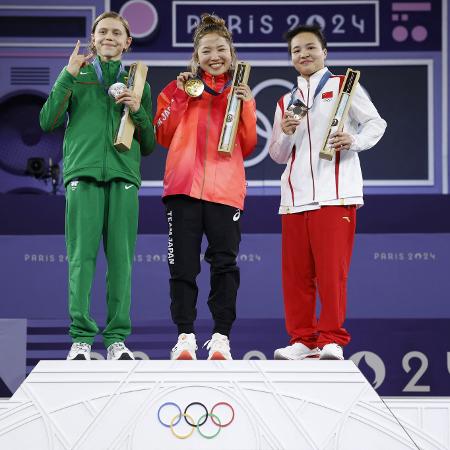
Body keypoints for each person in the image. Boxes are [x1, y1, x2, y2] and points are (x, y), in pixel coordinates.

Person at [40, 12, 155, 360]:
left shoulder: (139, 84)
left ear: (127, 42)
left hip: (123, 178)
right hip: (82, 176)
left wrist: (137, 110)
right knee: (81, 259)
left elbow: (147, 144)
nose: (109, 36)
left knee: (121, 263)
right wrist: (68, 73)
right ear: (93, 38)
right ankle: (82, 340)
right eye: (102, 31)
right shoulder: (76, 76)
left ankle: (117, 339)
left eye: (116, 32)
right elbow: (48, 121)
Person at [269, 25, 386, 361]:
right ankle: (302, 339)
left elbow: (376, 123)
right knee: (296, 277)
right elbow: (277, 155)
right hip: (293, 198)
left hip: (335, 195)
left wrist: (356, 141)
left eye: (310, 48)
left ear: (325, 52)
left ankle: (332, 338)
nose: (303, 54)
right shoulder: (285, 101)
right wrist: (287, 134)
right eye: (296, 50)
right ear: (291, 59)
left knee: (332, 273)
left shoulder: (343, 87)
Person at [154, 13, 257, 360]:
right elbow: (162, 135)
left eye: (221, 50)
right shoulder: (177, 88)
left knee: (224, 265)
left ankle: (221, 338)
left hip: (225, 191)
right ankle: (184, 336)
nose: (215, 57)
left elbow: (249, 142)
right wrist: (181, 96)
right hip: (182, 190)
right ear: (196, 57)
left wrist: (247, 104)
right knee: (182, 267)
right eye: (207, 51)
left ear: (231, 53)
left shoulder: (240, 91)